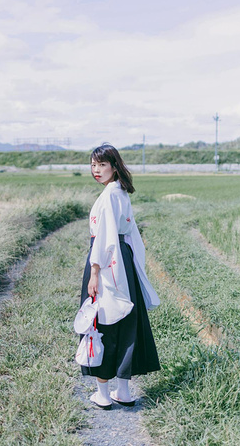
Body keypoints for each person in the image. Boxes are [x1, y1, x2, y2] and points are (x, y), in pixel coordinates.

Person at [80, 143, 161, 410]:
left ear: (114, 166)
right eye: (93, 165)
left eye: (102, 164)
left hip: (106, 262)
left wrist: (94, 272)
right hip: (122, 261)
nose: (96, 170)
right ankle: (123, 391)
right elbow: (130, 237)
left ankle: (103, 394)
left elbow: (104, 240)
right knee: (125, 320)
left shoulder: (110, 196)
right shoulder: (120, 193)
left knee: (102, 320)